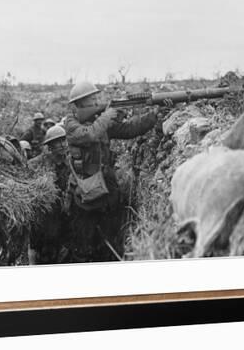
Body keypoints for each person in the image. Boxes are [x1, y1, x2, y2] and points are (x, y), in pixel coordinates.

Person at [63, 80, 168, 262]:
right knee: (83, 248)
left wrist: (154, 115)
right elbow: (89, 135)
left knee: (110, 245)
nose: (97, 102)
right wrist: (108, 114)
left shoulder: (100, 120)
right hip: (84, 196)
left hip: (107, 193)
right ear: (80, 104)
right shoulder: (71, 124)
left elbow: (129, 130)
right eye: (93, 99)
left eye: (97, 98)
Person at [27, 125, 72, 264]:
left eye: (63, 140)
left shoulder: (70, 163)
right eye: (57, 142)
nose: (62, 144)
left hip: (63, 212)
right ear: (50, 146)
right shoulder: (37, 163)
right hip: (44, 214)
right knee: (41, 247)